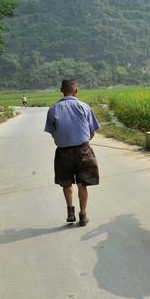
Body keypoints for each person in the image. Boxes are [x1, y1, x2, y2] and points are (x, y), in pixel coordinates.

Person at [44, 79, 100, 226]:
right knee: (83, 184)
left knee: (66, 183)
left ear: (61, 90)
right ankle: (83, 214)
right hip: (83, 150)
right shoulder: (84, 106)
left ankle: (70, 211)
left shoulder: (53, 109)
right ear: (76, 91)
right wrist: (83, 141)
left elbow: (52, 132)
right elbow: (92, 132)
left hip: (63, 152)